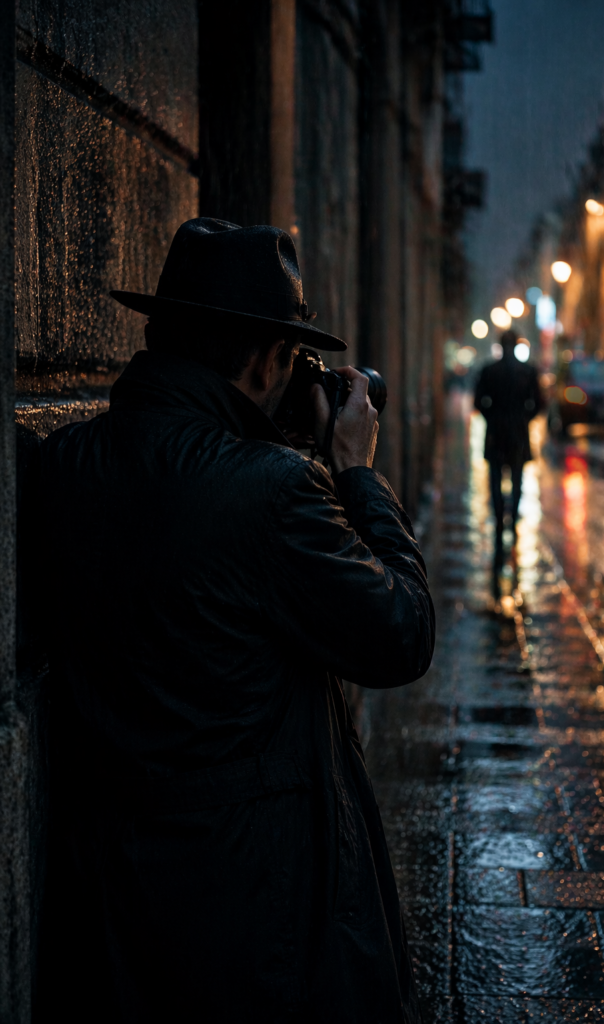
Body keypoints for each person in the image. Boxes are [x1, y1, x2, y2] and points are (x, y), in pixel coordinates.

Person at [35, 219, 434, 1023]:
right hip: (258, 902)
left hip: (114, 887)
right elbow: (401, 633)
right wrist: (355, 473)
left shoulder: (67, 459)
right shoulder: (272, 491)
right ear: (264, 356)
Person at [474, 329, 541, 544]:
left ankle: (499, 520)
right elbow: (539, 402)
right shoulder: (528, 372)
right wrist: (524, 418)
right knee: (517, 477)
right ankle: (511, 521)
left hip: (496, 431)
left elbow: (478, 402)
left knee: (495, 478)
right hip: (518, 433)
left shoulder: (489, 371)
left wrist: (492, 416)